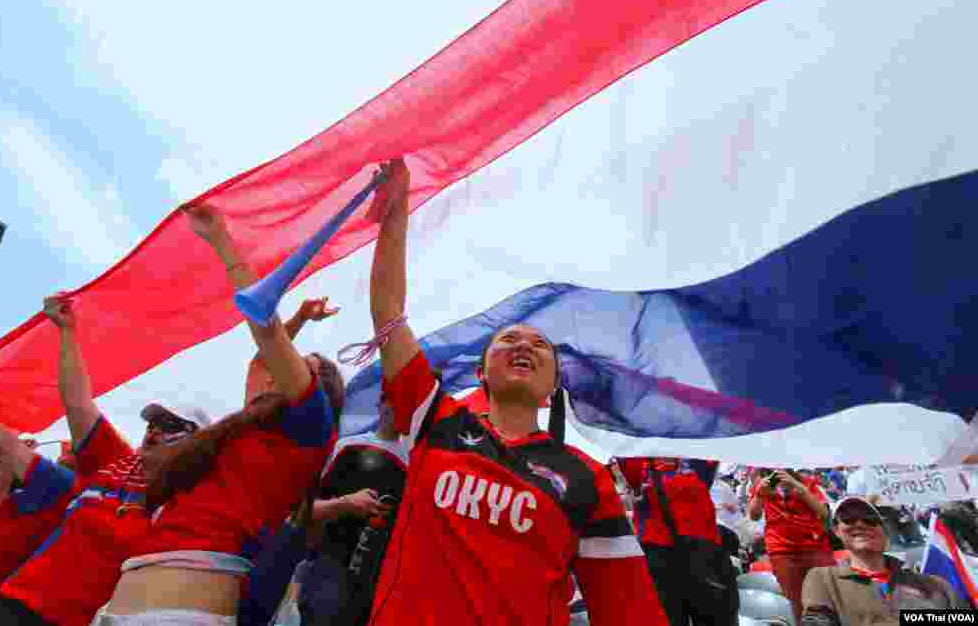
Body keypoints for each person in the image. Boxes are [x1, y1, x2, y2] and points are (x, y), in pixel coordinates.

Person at [362, 157, 667, 626]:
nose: (524, 343)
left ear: (551, 389)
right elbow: (388, 313)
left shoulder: (588, 480)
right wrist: (398, 210)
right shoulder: (435, 420)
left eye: (540, 344)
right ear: (482, 374)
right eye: (508, 339)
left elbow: (629, 611)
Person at [94, 205, 342, 625]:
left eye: (304, 366)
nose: (288, 364)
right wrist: (299, 318)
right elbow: (261, 361)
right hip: (118, 608)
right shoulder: (249, 423)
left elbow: (266, 332)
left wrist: (223, 245)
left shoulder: (309, 428)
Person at [0, 296, 209, 626]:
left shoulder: (189, 503)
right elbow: (75, 402)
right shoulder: (116, 461)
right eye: (152, 423)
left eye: (170, 426)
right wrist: (66, 332)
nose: (155, 431)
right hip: (13, 602)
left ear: (197, 442)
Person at [294, 394, 408, 625]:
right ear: (379, 403)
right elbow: (301, 512)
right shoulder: (348, 447)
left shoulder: (417, 463)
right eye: (392, 398)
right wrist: (346, 503)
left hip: (380, 590)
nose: (397, 408)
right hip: (329, 575)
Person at [802, 497, 969, 625]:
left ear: (884, 531)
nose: (860, 523)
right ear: (836, 531)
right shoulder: (823, 578)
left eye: (870, 519)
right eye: (848, 519)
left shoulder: (935, 583)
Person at [617, 457, 738, 626]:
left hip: (704, 557)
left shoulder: (697, 458)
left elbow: (717, 437)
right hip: (659, 559)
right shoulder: (639, 460)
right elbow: (624, 444)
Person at [748, 468, 833, 625]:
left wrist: (797, 486)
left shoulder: (807, 483)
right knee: (795, 602)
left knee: (828, 597)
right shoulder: (762, 485)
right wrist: (760, 494)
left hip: (815, 548)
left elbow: (823, 513)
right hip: (782, 551)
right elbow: (754, 516)